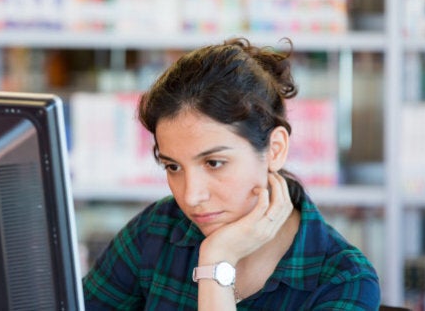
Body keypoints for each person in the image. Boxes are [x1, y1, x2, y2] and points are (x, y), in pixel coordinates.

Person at [82, 37, 380, 310]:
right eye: (173, 167)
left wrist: (216, 263)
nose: (191, 196)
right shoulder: (158, 229)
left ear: (275, 149)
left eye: (214, 163)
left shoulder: (343, 280)